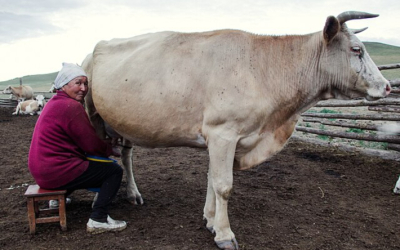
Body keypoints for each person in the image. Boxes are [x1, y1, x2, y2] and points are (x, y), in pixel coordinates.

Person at [28, 62, 126, 234]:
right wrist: (109, 148)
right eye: (77, 83)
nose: (83, 88)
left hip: (41, 170)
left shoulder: (55, 102)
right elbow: (90, 143)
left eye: (85, 83)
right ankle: (98, 219)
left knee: (79, 161)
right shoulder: (71, 107)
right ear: (64, 85)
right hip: (55, 171)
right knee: (113, 171)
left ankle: (57, 199)